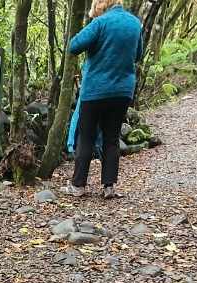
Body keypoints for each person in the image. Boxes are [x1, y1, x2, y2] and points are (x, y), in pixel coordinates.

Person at [61, 0, 143, 199]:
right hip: (122, 91)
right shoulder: (135, 24)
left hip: (95, 90)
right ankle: (109, 187)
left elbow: (74, 46)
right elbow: (138, 55)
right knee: (112, 138)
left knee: (86, 136)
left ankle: (78, 186)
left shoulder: (100, 23)